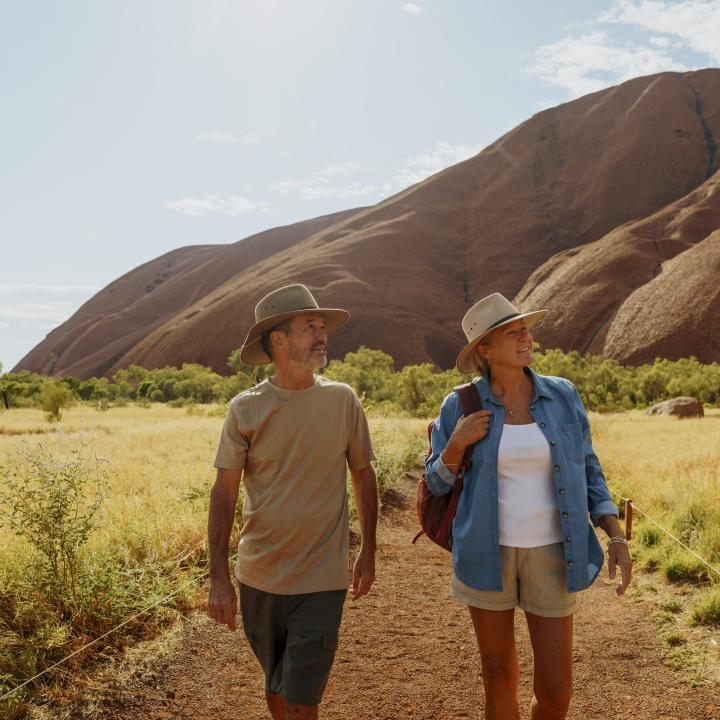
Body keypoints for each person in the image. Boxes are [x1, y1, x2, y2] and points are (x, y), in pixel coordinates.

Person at [425, 292, 632, 720]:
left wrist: (614, 534)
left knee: (556, 691)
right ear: (484, 348)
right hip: (486, 552)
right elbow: (435, 482)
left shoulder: (562, 395)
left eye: (526, 329)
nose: (526, 337)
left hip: (554, 552)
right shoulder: (461, 405)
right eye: (512, 332)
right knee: (498, 676)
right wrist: (457, 444)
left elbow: (589, 469)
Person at [207, 283, 378, 720]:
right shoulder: (244, 409)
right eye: (310, 327)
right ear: (278, 341)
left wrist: (368, 552)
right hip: (258, 576)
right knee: (277, 688)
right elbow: (224, 492)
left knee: (302, 701)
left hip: (321, 578)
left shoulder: (342, 399)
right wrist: (219, 578)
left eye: (323, 327)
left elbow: (362, 472)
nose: (322, 335)